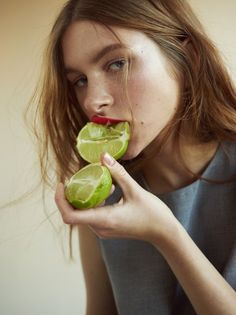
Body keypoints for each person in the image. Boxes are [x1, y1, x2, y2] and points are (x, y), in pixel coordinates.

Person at [31, 0, 236, 314]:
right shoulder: (102, 198)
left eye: (116, 64)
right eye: (79, 81)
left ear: (187, 56)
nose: (93, 102)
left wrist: (166, 233)